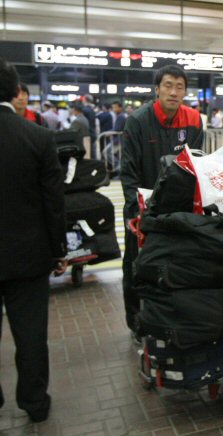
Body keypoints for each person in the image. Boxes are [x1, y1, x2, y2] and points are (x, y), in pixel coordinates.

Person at [0, 57, 67, 423]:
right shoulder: (38, 137)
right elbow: (53, 203)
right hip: (28, 255)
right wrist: (59, 250)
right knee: (29, 334)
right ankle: (34, 402)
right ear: (15, 92)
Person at [120, 65, 204, 339]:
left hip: (178, 210)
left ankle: (171, 320)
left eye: (179, 87)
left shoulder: (193, 119)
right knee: (136, 265)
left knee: (178, 266)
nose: (173, 92)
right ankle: (136, 323)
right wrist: (137, 212)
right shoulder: (138, 121)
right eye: (168, 85)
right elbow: (128, 171)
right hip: (142, 209)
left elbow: (198, 163)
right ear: (156, 89)